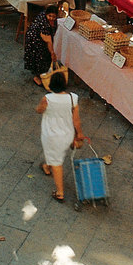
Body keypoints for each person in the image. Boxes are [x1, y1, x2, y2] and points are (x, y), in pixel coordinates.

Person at [36, 73, 84, 203]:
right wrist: (79, 134)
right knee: (55, 154)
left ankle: (60, 193)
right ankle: (46, 166)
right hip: (67, 134)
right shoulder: (72, 98)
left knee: (57, 163)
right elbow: (76, 120)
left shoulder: (47, 99)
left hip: (51, 135)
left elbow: (39, 110)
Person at [24, 6, 59, 86]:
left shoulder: (54, 21)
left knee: (46, 55)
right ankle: (37, 76)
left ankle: (44, 72)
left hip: (43, 38)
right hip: (34, 39)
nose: (51, 18)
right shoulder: (44, 24)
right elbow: (48, 41)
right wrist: (52, 53)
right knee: (39, 56)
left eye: (53, 16)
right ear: (46, 14)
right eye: (49, 16)